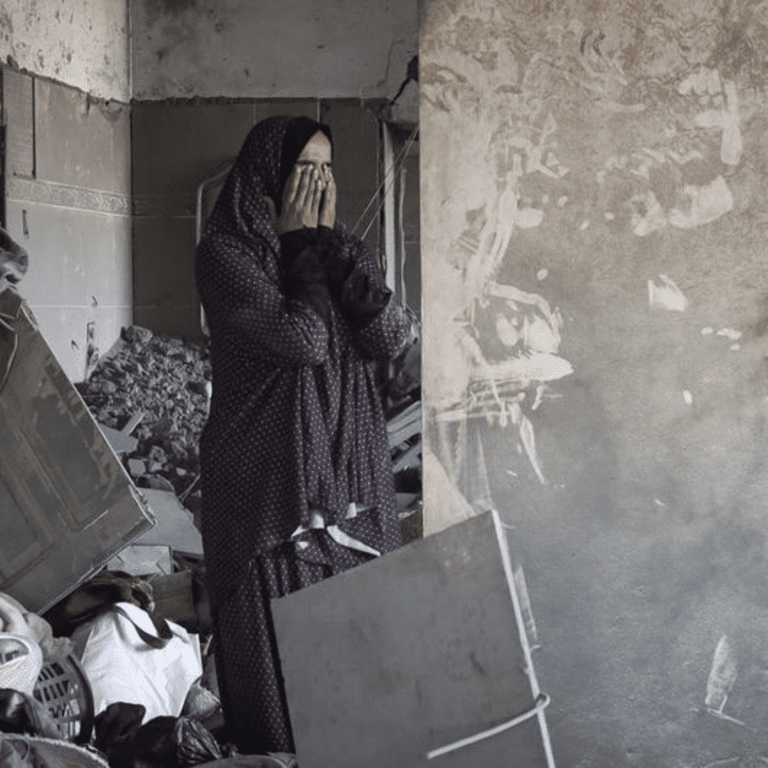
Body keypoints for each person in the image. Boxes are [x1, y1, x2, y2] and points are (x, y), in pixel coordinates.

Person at [195, 115, 412, 755]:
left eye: (325, 168)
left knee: (352, 630)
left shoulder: (341, 249)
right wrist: (297, 249)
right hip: (268, 474)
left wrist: (331, 254)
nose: (317, 181)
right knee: (277, 626)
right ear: (267, 176)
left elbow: (392, 337)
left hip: (349, 469)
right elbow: (304, 340)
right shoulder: (228, 254)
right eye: (302, 169)